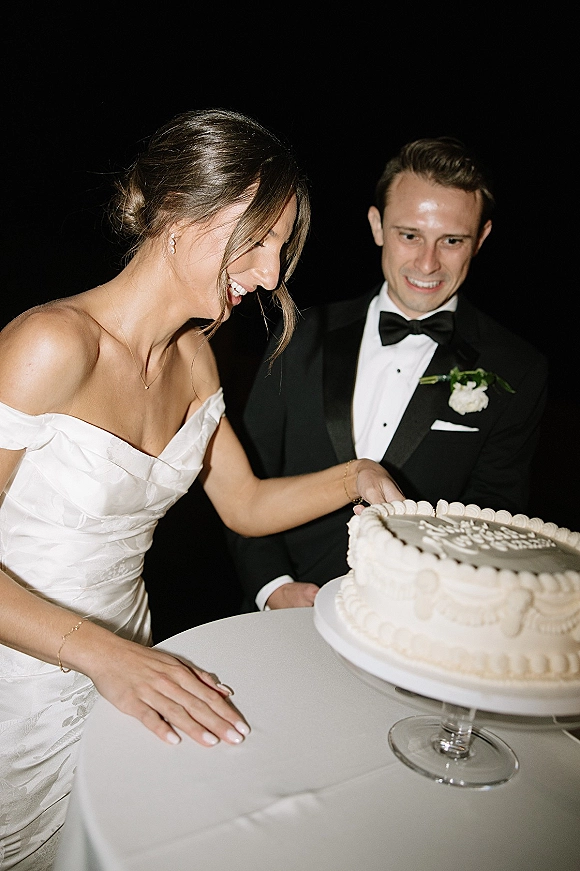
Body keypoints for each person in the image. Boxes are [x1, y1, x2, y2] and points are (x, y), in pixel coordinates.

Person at [0, 109, 403, 870]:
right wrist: (102, 656)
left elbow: (245, 505)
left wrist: (356, 475)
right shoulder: (48, 346)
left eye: (279, 248)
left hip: (134, 657)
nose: (270, 275)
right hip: (19, 685)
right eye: (257, 241)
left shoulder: (196, 361)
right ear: (182, 213)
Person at [227, 136, 548, 611]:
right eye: (410, 234)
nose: (427, 263)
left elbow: (492, 523)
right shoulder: (302, 332)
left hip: (421, 616)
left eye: (452, 240)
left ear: (480, 239)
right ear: (377, 225)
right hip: (287, 612)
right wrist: (272, 586)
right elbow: (245, 480)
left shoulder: (517, 369)